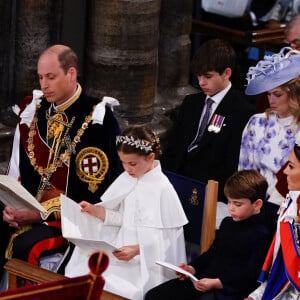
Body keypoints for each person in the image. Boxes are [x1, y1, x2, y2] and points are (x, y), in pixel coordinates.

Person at [0, 44, 121, 273]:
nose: (44, 85)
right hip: (28, 209)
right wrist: (11, 208)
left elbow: (94, 195)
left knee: (26, 245)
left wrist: (39, 215)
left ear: (71, 73)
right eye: (40, 77)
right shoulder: (35, 110)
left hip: (70, 219)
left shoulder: (97, 120)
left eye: (51, 77)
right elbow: (18, 175)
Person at [64, 125, 188, 300]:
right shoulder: (127, 179)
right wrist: (97, 211)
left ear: (151, 157)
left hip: (145, 263)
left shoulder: (162, 188)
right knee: (79, 275)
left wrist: (138, 250)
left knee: (113, 287)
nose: (127, 169)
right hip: (119, 251)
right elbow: (125, 218)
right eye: (123, 162)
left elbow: (168, 240)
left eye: (132, 163)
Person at [145, 169, 273, 300]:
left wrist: (217, 283)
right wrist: (192, 269)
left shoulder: (262, 235)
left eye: (237, 204)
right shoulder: (227, 223)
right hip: (204, 281)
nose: (231, 208)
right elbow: (211, 254)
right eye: (229, 202)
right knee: (154, 296)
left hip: (228, 290)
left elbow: (249, 275)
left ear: (257, 204)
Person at [161, 38, 254, 203]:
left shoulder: (242, 112)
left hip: (210, 194)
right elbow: (175, 147)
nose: (201, 82)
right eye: (198, 75)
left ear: (226, 73)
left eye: (208, 76)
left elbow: (232, 163)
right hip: (175, 185)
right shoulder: (191, 103)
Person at [239, 47, 300, 232]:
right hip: (254, 207)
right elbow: (244, 171)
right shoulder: (256, 123)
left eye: (278, 94)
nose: (271, 100)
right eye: (268, 94)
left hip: (289, 210)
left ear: (294, 95)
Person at [245, 142, 300, 299]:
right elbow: (280, 266)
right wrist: (256, 296)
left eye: (291, 166)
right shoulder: (291, 205)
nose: (285, 172)